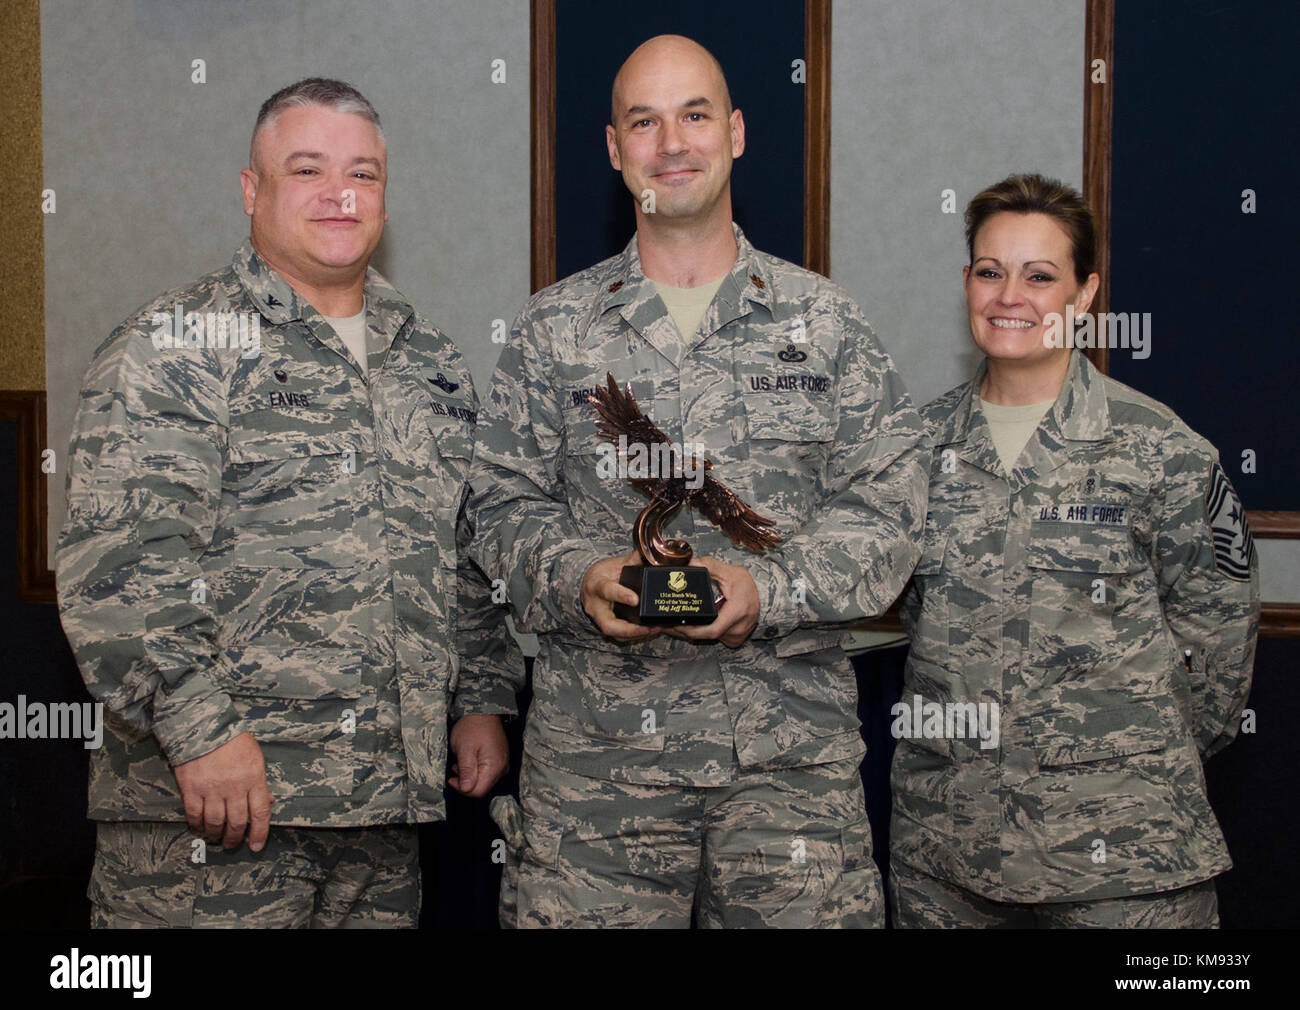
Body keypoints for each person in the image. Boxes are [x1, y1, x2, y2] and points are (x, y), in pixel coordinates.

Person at [469, 35, 928, 928]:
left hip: (788, 775)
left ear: (738, 133)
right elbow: (499, 504)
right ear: (614, 149)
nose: (671, 142)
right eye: (645, 121)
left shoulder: (827, 325)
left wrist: (773, 588)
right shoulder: (550, 331)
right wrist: (577, 576)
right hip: (597, 783)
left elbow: (887, 513)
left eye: (694, 115)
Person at [56, 77, 521, 928]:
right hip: (215, 820)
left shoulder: (432, 363)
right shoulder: (175, 345)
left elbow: (463, 552)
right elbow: (122, 564)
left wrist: (481, 695)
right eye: (307, 169)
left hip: (382, 817)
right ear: (251, 191)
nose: (340, 193)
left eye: (364, 173)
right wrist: (197, 730)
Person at [890, 172, 1260, 928]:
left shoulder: (1162, 450)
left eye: (1040, 275)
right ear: (966, 284)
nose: (1009, 296)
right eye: (990, 272)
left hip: (1123, 860)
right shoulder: (913, 451)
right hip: (949, 857)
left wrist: (1119, 766)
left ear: (1085, 295)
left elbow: (1219, 657)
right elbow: (909, 613)